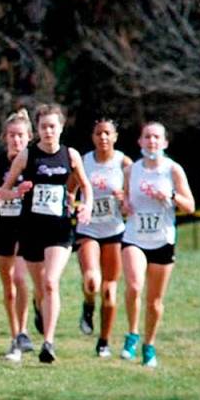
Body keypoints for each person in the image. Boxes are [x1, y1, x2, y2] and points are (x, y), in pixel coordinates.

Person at [0, 104, 92, 363]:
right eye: (43, 127)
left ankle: (48, 343)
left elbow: (86, 186)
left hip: (60, 228)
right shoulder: (27, 156)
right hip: (31, 228)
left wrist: (87, 206)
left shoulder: (70, 155)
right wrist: (17, 192)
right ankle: (40, 309)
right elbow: (2, 192)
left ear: (61, 128)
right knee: (40, 287)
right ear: (37, 130)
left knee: (51, 282)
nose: (48, 131)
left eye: (52, 126)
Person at [120, 121, 195, 367]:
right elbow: (124, 201)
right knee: (133, 285)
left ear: (164, 143)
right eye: (147, 137)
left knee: (154, 301)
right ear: (140, 141)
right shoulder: (132, 170)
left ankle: (149, 346)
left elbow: (190, 206)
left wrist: (170, 196)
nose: (151, 141)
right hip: (134, 237)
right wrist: (125, 205)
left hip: (162, 239)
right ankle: (132, 334)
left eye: (156, 138)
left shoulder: (173, 170)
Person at [0, 109, 35, 361]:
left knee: (21, 279)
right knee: (9, 287)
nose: (16, 140)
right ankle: (15, 337)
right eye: (12, 135)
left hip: (27, 226)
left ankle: (23, 332)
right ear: (5, 137)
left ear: (29, 137)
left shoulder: (35, 161)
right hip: (2, 227)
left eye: (21, 135)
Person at [76, 118, 133, 356]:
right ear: (93, 137)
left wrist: (124, 200)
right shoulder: (84, 161)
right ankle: (88, 304)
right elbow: (70, 190)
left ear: (115, 137)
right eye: (98, 133)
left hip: (115, 230)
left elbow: (132, 200)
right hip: (88, 229)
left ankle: (104, 341)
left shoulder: (124, 163)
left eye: (107, 133)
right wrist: (75, 205)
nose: (103, 138)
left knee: (109, 291)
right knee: (92, 281)